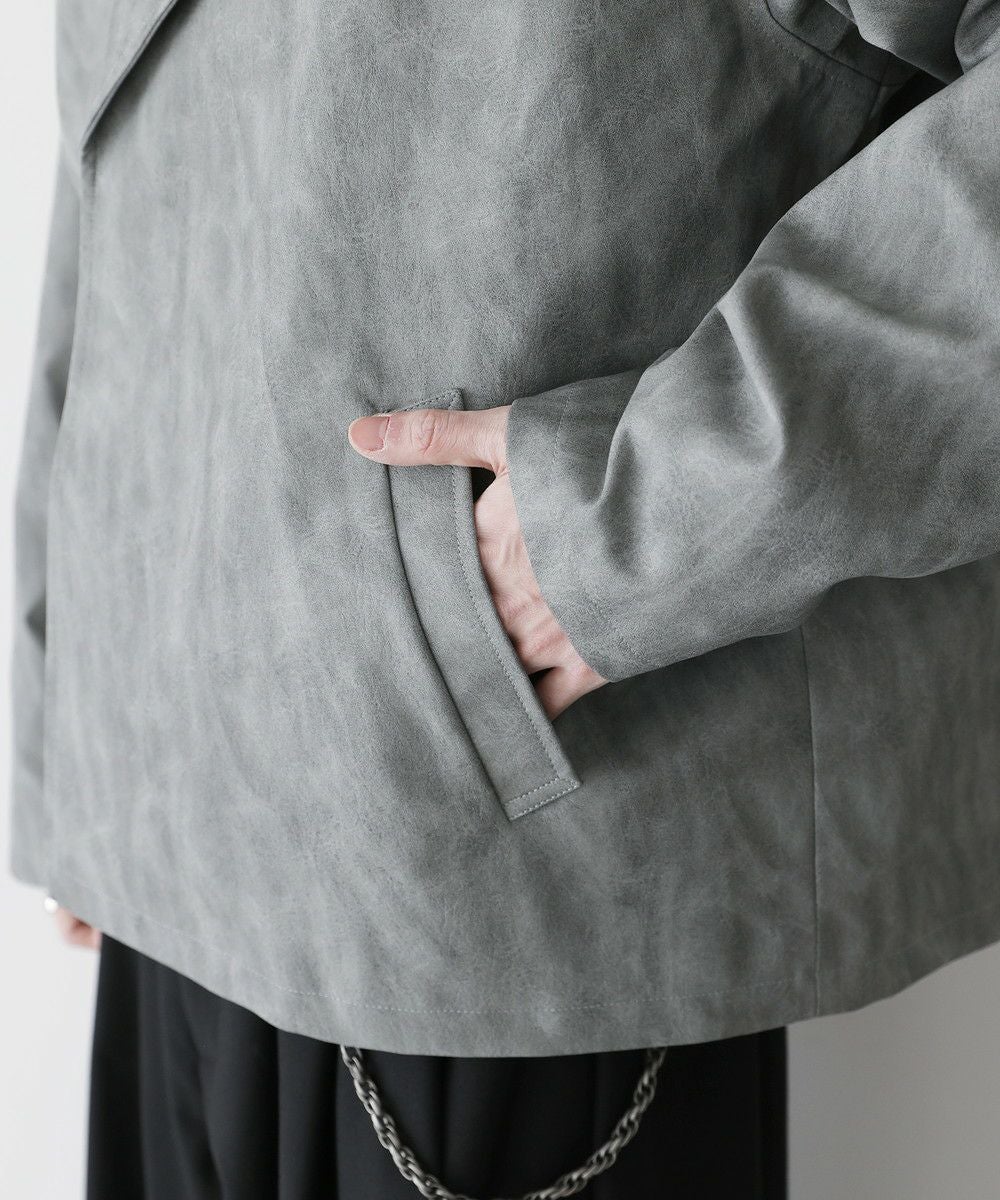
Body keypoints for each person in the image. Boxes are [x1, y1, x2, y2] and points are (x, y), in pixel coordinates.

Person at [11, 3, 1000, 1196]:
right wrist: (70, 736)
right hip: (170, 847)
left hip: (504, 881)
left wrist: (627, 519)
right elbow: (120, 150)